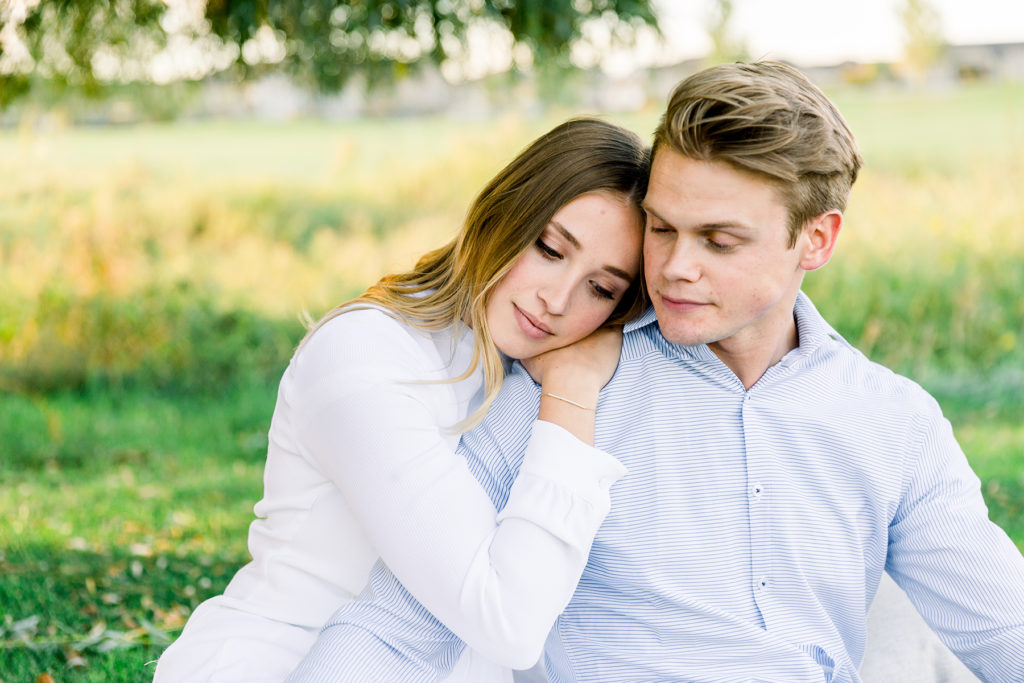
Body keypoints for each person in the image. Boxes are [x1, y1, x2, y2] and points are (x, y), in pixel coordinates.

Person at [285, 61, 1024, 682]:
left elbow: (1002, 625)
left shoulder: (894, 421)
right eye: (662, 228)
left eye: (719, 240)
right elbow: (392, 633)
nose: (674, 267)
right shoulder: (563, 392)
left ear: (817, 239)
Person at [152, 117, 652, 682]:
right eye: (550, 249)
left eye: (601, 288)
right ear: (503, 213)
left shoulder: (528, 368)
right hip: (282, 663)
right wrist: (573, 389)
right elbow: (507, 622)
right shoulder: (365, 354)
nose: (558, 299)